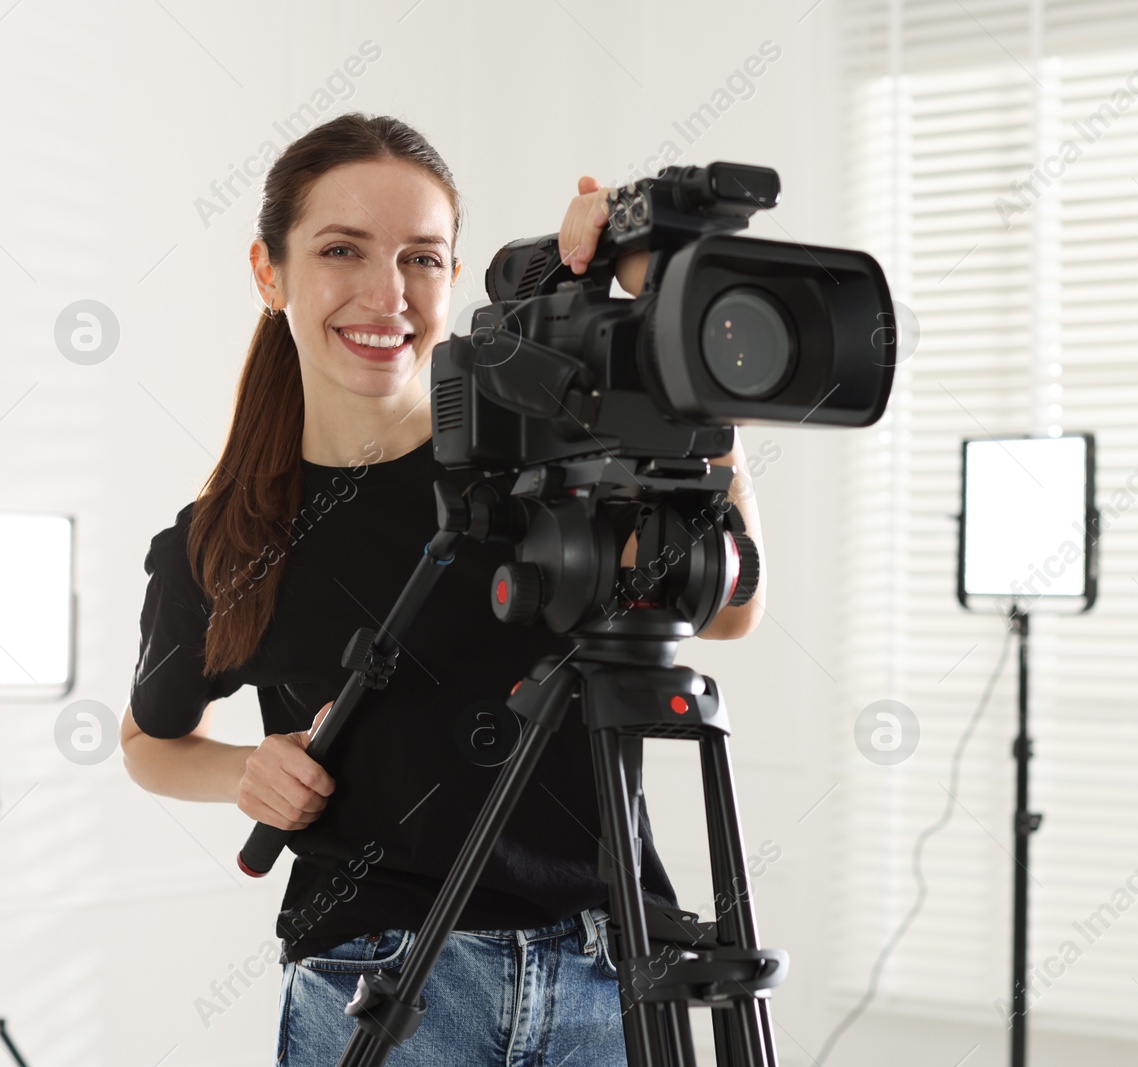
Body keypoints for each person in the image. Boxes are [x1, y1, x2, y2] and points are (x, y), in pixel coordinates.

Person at [118, 112, 765, 1065]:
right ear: (269, 270)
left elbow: (733, 605)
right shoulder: (223, 542)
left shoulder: (547, 461)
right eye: (343, 249)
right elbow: (149, 741)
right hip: (379, 986)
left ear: (454, 279)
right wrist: (245, 772)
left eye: (423, 258)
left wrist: (680, 350)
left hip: (607, 973)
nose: (388, 293)